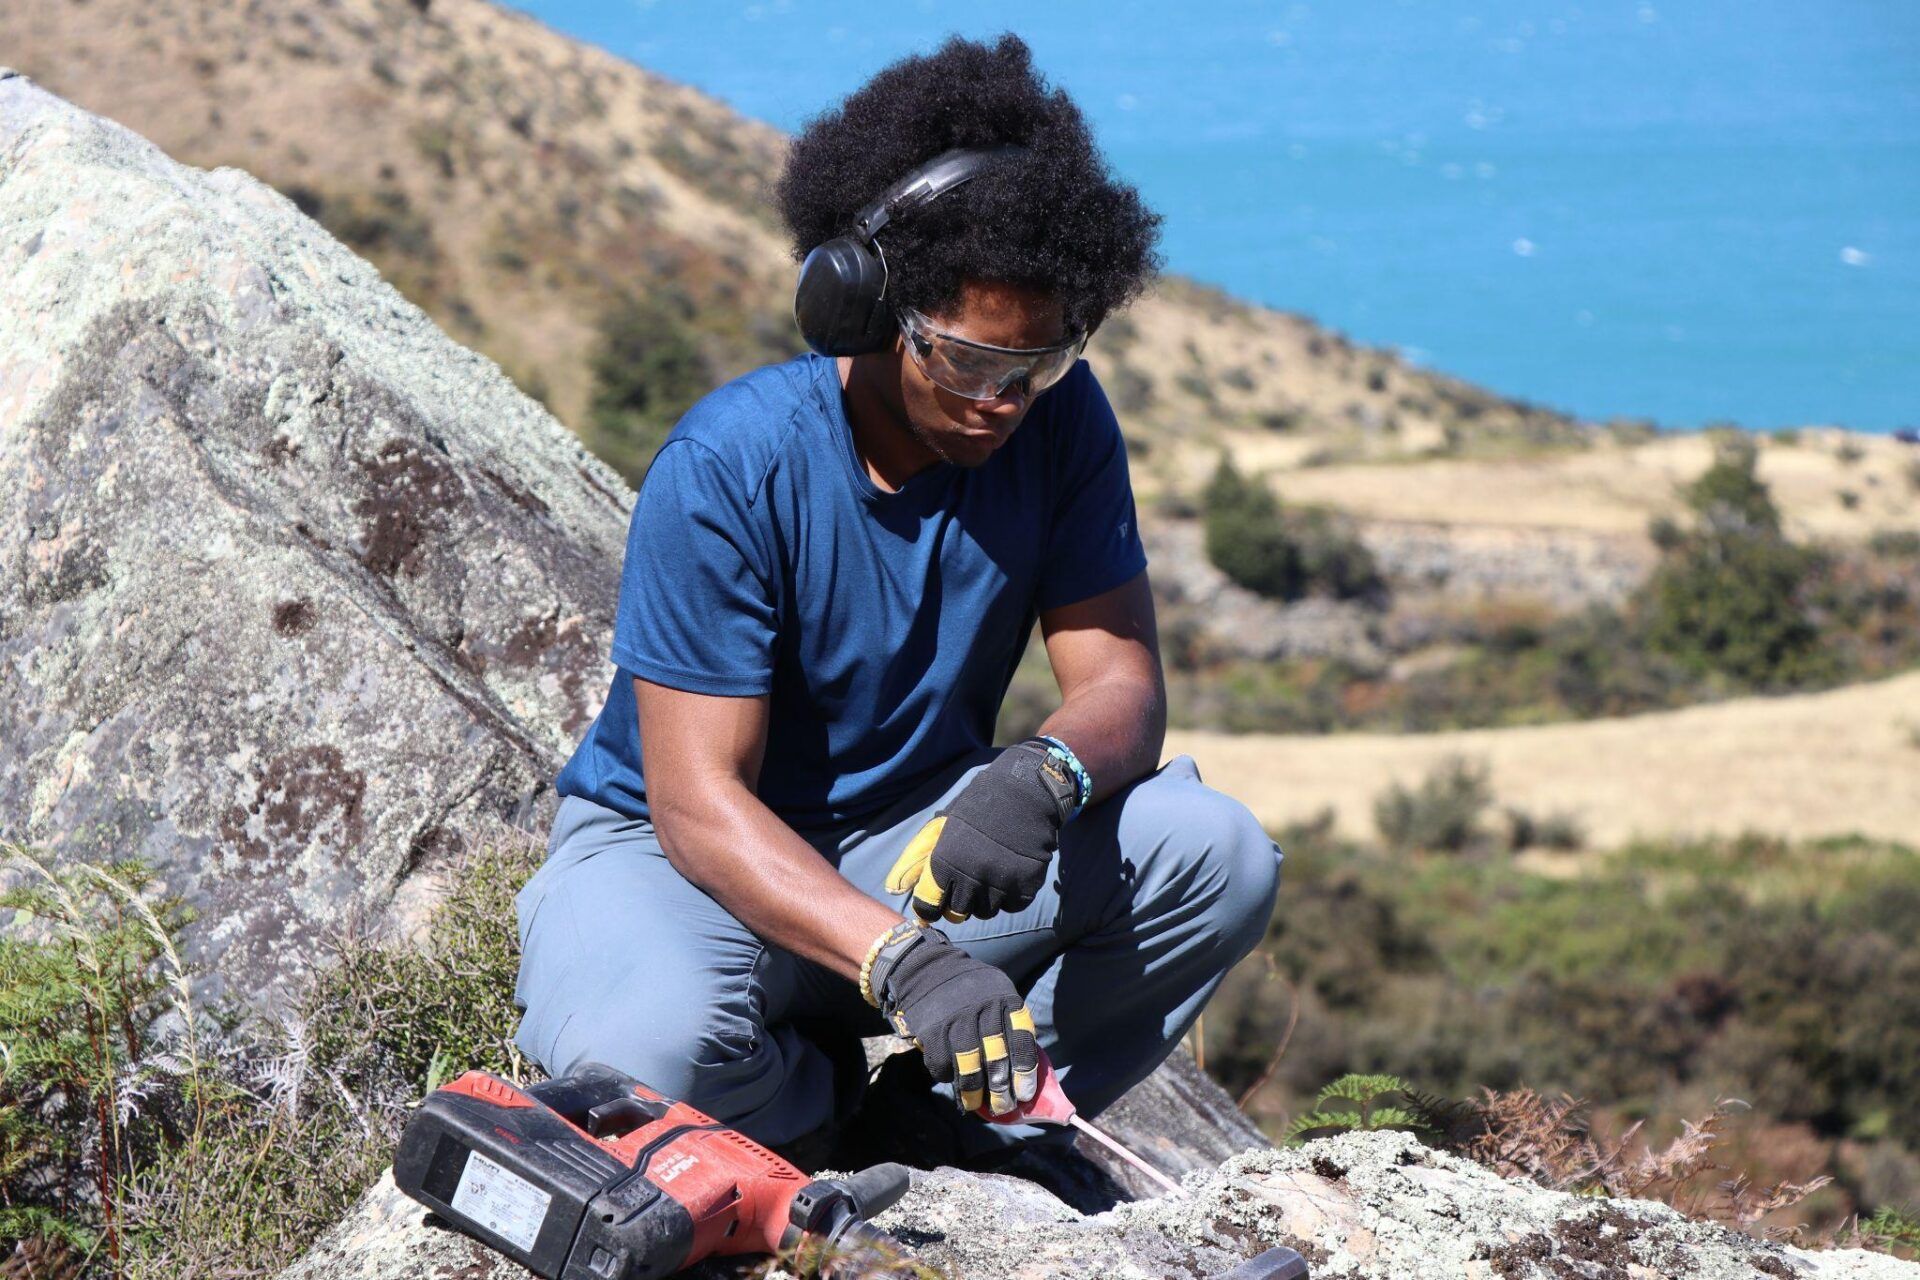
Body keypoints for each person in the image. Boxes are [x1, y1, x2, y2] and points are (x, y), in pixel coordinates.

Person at [511, 33, 1281, 1167]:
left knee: (1216, 852)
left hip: (906, 846)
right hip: (681, 862)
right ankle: (810, 1100)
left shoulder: (1061, 421)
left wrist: (1040, 775)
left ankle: (941, 1135)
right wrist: (904, 964)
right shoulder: (731, 464)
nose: (1002, 402)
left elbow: (1118, 681)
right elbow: (693, 802)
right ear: (868, 308)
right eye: (966, 361)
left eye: (1035, 367)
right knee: (642, 1062)